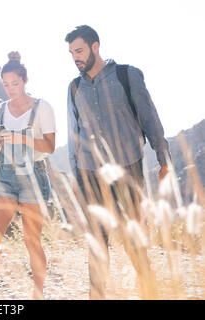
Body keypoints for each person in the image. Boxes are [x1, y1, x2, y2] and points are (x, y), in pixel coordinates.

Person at [65, 25, 171, 299]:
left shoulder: (127, 75)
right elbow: (74, 135)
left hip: (127, 167)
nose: (75, 57)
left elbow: (149, 117)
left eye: (79, 50)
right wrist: (76, 177)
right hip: (91, 172)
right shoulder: (74, 87)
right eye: (71, 53)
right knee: (97, 243)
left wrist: (163, 157)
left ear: (95, 46)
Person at [0, 52, 56, 300]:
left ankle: (38, 293)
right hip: (5, 177)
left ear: (25, 80)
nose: (11, 89)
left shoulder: (42, 108)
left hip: (33, 177)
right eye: (6, 84)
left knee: (32, 241)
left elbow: (50, 147)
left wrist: (21, 138)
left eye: (15, 83)